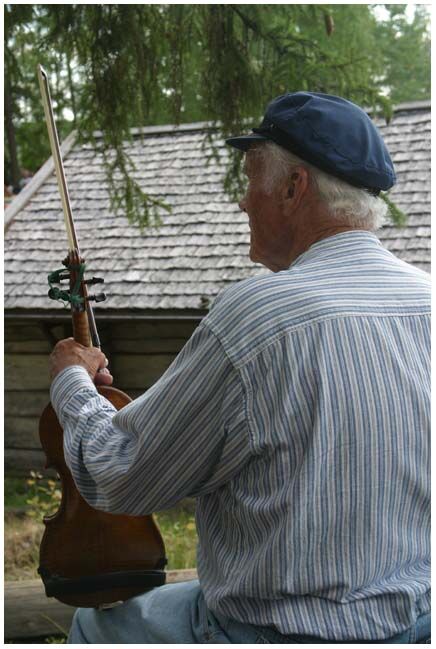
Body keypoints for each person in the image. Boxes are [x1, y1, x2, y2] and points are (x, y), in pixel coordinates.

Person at [49, 92, 430, 644]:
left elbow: (119, 476)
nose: (243, 203)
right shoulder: (428, 299)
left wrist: (71, 381)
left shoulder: (258, 314)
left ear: (294, 188)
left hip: (278, 630)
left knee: (93, 624)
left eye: (251, 181)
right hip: (417, 623)